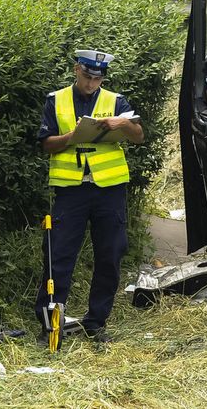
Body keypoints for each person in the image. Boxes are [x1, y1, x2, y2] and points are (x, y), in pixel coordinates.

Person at [35, 49, 144, 344]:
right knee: (58, 257)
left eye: (97, 78)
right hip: (71, 190)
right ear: (76, 70)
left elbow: (139, 136)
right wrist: (71, 137)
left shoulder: (116, 101)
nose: (91, 83)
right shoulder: (55, 100)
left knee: (110, 255)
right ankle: (50, 326)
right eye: (87, 76)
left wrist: (123, 124)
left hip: (109, 189)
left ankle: (96, 324)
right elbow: (45, 144)